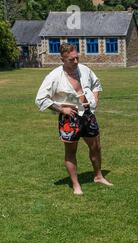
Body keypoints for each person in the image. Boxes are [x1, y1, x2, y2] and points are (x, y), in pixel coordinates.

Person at [35, 43, 113, 196]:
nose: (76, 61)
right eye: (71, 59)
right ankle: (76, 185)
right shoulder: (54, 76)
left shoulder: (84, 69)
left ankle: (98, 176)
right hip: (69, 118)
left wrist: (95, 99)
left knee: (96, 147)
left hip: (88, 114)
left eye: (77, 58)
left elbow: (96, 83)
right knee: (71, 152)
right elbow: (40, 99)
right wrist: (61, 109)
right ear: (62, 59)